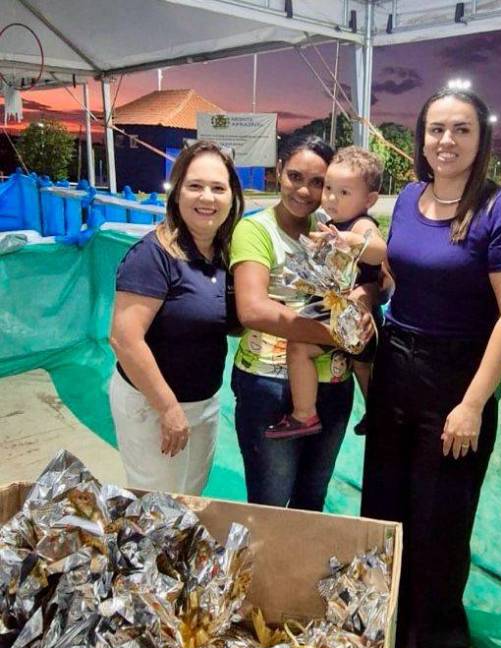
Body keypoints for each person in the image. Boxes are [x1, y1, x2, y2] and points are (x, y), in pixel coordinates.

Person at [361, 87, 501, 648]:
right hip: (396, 365)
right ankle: (386, 622)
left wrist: (473, 403)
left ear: (480, 139)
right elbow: (404, 268)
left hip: (457, 378)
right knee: (384, 503)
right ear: (421, 137)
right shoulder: (410, 197)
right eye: (437, 129)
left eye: (461, 129)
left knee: (441, 517)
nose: (447, 140)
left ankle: (434, 642)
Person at [230, 134, 374, 510]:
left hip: (334, 384)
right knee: (271, 503)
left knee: (312, 500)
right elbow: (253, 310)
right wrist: (339, 334)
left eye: (318, 182)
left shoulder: (331, 228)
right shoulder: (255, 230)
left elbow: (379, 278)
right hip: (270, 386)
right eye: (295, 176)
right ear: (279, 171)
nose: (305, 191)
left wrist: (362, 301)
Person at [109, 140, 244, 494]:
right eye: (195, 185)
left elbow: (224, 321)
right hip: (153, 405)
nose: (207, 197)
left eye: (218, 188)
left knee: (189, 500)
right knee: (158, 505)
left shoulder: (224, 254)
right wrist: (167, 408)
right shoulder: (152, 256)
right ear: (177, 192)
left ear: (232, 197)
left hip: (203, 403)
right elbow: (124, 339)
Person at [265, 146, 386, 439]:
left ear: (369, 200)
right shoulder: (331, 223)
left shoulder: (361, 224)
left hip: (355, 320)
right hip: (346, 316)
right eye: (329, 188)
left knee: (299, 348)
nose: (331, 197)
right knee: (362, 367)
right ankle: (377, 415)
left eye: (344, 192)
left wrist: (350, 240)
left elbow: (380, 250)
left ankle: (304, 414)